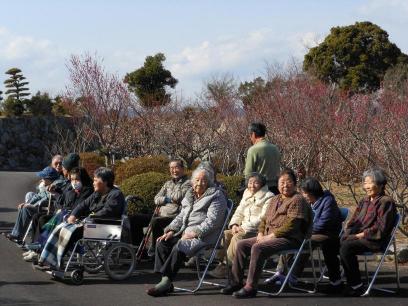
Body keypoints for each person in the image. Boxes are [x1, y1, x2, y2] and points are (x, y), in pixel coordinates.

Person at [221, 168, 313, 298]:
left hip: (290, 238)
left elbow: (293, 224)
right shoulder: (275, 199)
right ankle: (236, 282)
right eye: (282, 182)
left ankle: (251, 287)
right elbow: (264, 220)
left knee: (258, 247)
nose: (285, 185)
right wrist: (260, 234)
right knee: (242, 244)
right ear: (278, 184)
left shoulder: (297, 200)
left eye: (288, 182)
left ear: (294, 183)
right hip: (269, 236)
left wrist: (270, 236)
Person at [146, 168, 228, 297]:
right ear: (192, 181)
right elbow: (181, 216)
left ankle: (165, 281)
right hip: (185, 233)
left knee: (179, 246)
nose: (200, 183)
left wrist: (195, 232)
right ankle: (167, 281)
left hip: (205, 236)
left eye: (204, 180)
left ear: (209, 182)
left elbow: (213, 222)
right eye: (197, 180)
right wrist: (171, 230)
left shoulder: (216, 196)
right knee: (162, 242)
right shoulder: (190, 194)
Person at [36, 167, 125, 269]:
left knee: (69, 232)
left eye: (96, 180)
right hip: (93, 224)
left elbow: (107, 212)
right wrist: (73, 215)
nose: (93, 183)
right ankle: (47, 258)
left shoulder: (116, 194)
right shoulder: (97, 193)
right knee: (61, 228)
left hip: (106, 227)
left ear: (105, 182)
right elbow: (82, 205)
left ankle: (54, 262)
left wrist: (89, 218)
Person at [268, 177, 342, 290]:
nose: (303, 195)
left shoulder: (328, 201)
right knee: (290, 237)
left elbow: (324, 223)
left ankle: (293, 275)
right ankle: (281, 272)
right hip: (311, 231)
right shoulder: (309, 202)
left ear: (312, 192)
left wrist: (304, 231)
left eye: (305, 193)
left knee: (306, 242)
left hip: (327, 233)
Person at [339, 168, 397, 296]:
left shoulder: (386, 202)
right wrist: (348, 232)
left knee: (346, 248)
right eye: (365, 183)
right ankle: (341, 281)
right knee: (337, 242)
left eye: (370, 183)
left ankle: (356, 285)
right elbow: (354, 220)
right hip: (359, 236)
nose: (366, 186)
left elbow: (380, 228)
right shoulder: (364, 200)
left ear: (381, 184)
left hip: (375, 240)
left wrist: (358, 235)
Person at [209, 172, 274, 278]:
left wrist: (242, 228)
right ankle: (222, 262)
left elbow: (263, 219)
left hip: (257, 230)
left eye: (256, 183)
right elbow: (239, 211)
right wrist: (234, 225)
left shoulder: (269, 196)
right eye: (250, 182)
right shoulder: (246, 193)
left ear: (262, 184)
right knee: (225, 234)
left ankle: (228, 266)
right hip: (242, 227)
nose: (252, 185)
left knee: (237, 237)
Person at [22, 167, 94, 261]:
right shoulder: (71, 190)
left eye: (77, 179)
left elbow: (78, 207)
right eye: (72, 179)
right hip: (64, 214)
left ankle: (39, 249)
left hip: (75, 219)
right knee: (39, 217)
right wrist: (56, 192)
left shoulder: (88, 191)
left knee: (44, 220)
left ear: (83, 179)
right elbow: (63, 202)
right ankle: (36, 248)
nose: (74, 182)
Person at [129, 159, 191, 254]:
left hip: (174, 216)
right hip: (160, 214)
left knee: (155, 222)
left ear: (182, 169)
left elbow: (178, 197)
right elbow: (156, 199)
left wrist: (164, 199)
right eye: (171, 168)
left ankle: (155, 250)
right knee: (134, 219)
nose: (174, 170)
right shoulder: (168, 183)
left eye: (176, 167)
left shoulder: (188, 183)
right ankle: (138, 249)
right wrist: (167, 199)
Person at [5, 166, 60, 243]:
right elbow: (38, 196)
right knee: (29, 195)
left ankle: (17, 235)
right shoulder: (46, 185)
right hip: (41, 205)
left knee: (25, 208)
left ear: (49, 179)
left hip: (45, 209)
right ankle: (23, 227)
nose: (42, 179)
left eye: (44, 178)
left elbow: (43, 200)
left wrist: (30, 206)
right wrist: (27, 203)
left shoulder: (53, 187)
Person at [244, 122, 281, 194]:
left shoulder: (253, 150)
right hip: (275, 189)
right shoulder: (275, 148)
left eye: (250, 136)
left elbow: (248, 174)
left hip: (260, 190)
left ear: (253, 134)